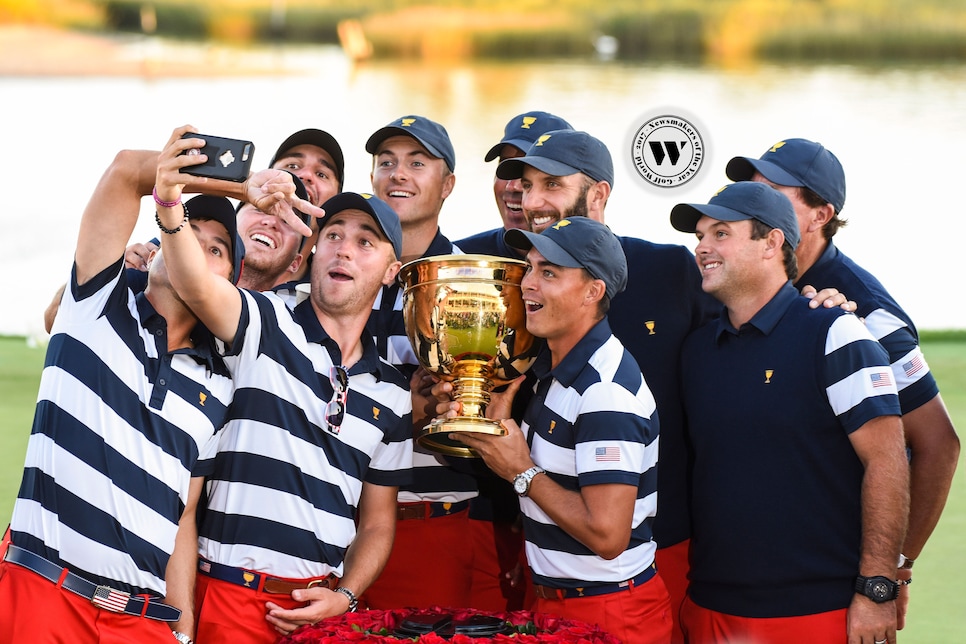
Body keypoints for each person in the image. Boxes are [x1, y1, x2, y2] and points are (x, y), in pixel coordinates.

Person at [153, 125, 414, 644]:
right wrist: (169, 211)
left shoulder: (393, 394)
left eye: (366, 242)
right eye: (333, 235)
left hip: (320, 613)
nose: (344, 250)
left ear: (391, 272)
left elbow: (379, 523)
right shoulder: (264, 321)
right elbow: (198, 283)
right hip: (226, 599)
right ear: (311, 252)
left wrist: (348, 595)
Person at [0, 146, 244, 643]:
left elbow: (184, 516)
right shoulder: (94, 301)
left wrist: (183, 628)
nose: (193, 249)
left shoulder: (218, 386)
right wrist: (244, 185)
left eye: (214, 250)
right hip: (40, 593)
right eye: (186, 233)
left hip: (139, 623)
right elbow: (125, 171)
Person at [726, 138, 960, 627]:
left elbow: (939, 444)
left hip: (827, 576)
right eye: (751, 188)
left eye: (773, 191)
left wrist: (894, 573)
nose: (754, 202)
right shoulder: (739, 278)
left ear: (819, 214)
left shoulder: (867, 311)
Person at [670, 180, 910, 643]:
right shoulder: (697, 349)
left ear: (772, 243)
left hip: (818, 613)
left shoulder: (836, 333)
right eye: (699, 236)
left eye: (721, 233)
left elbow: (887, 460)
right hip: (710, 608)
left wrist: (877, 589)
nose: (702, 247)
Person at [449, 216, 672, 644]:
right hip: (565, 602)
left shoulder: (605, 391)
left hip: (610, 614)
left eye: (548, 272)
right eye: (529, 267)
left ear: (593, 291)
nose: (528, 283)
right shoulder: (559, 366)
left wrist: (521, 472)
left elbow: (608, 536)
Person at [455, 111, 574, 613]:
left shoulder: (645, 269)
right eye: (509, 173)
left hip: (585, 537)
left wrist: (823, 298)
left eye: (537, 178)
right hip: (482, 520)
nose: (517, 189)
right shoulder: (464, 261)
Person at [360, 114, 480, 611]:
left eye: (417, 162)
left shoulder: (472, 280)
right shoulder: (340, 266)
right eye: (386, 162)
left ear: (447, 184)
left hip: (428, 521)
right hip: (334, 519)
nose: (398, 174)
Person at [456, 111, 573, 257]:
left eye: (529, 172)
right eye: (506, 167)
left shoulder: (604, 262)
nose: (512, 186)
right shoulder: (460, 258)